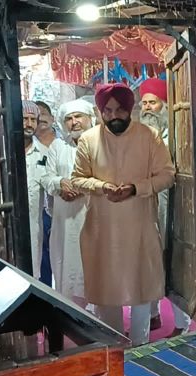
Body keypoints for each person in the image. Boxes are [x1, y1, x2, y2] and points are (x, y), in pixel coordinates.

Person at [71, 83, 176, 345]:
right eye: (107, 110)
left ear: (129, 109)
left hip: (139, 225)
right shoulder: (89, 139)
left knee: (141, 287)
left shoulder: (148, 136)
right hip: (102, 229)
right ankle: (115, 346)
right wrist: (101, 186)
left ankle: (140, 346)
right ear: (100, 112)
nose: (113, 115)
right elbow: (77, 179)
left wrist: (135, 188)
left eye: (119, 110)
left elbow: (167, 175)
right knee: (107, 289)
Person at [137, 77, 191, 335]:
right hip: (145, 208)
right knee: (147, 261)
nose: (147, 108)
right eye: (144, 103)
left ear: (164, 106)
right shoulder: (137, 138)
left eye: (153, 103)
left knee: (172, 263)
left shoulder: (177, 137)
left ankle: (182, 323)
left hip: (174, 209)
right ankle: (152, 314)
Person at [42, 99, 94, 308]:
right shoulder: (57, 146)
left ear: (90, 119)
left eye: (78, 117)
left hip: (91, 215)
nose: (74, 122)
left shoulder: (100, 143)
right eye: (69, 119)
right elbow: (46, 177)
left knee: (92, 265)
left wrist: (80, 188)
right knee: (66, 264)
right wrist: (60, 183)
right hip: (64, 219)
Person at [22, 100, 47, 280]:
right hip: (3, 224)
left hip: (33, 224)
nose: (29, 124)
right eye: (24, 119)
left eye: (33, 119)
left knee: (32, 271)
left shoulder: (43, 153)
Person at [34, 100, 57, 285]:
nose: (40, 117)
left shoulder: (65, 145)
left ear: (53, 118)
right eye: (36, 115)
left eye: (43, 113)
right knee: (43, 258)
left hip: (63, 209)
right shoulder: (26, 149)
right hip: (39, 211)